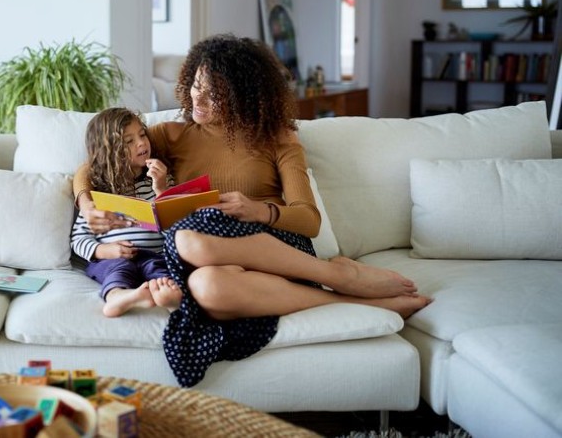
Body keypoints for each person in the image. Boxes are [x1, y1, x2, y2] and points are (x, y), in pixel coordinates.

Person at [74, 34, 431, 386]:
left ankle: (336, 275)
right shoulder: (172, 135)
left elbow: (308, 220)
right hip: (214, 264)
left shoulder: (278, 137)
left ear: (243, 95)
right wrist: (86, 202)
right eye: (197, 85)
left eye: (214, 93)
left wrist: (261, 211)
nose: (199, 97)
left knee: (189, 241)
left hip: (275, 250)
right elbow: (96, 161)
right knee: (204, 286)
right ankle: (345, 295)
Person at [70, 108, 184, 317]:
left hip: (154, 255)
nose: (141, 143)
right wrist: (103, 251)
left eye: (142, 135)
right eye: (129, 141)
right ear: (109, 151)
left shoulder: (160, 180)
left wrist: (161, 190)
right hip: (111, 257)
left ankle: (170, 299)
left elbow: (174, 232)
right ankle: (117, 298)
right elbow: (78, 239)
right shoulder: (99, 191)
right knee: (118, 271)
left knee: (162, 274)